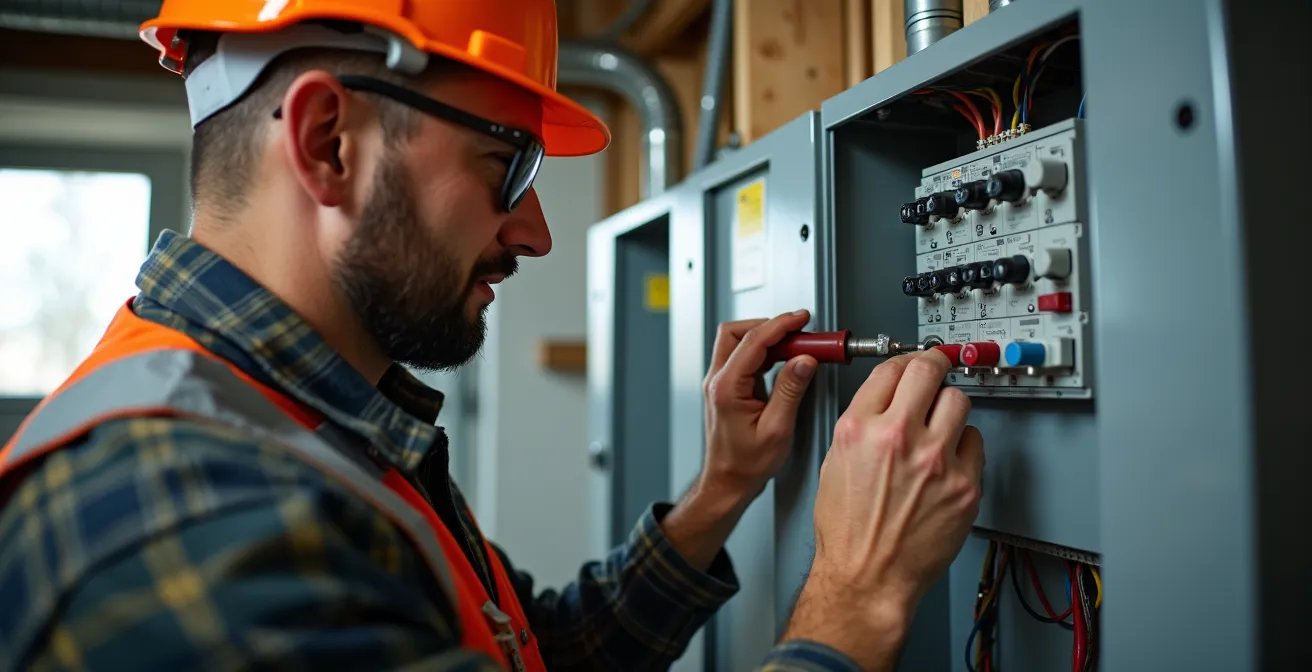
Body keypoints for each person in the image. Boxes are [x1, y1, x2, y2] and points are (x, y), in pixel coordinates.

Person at [0, 1, 984, 670]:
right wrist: (857, 598)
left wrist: (720, 491)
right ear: (325, 145)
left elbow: (532, 653)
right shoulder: (186, 515)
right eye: (503, 167)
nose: (537, 231)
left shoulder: (300, 421)